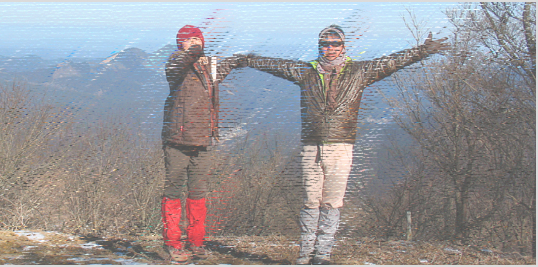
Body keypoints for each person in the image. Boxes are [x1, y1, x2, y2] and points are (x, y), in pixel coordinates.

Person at [243, 25, 449, 264]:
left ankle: (322, 255)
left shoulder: (359, 72)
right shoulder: (306, 71)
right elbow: (275, 65)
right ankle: (305, 254)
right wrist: (248, 59)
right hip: (311, 146)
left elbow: (392, 62)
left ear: (343, 46)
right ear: (319, 46)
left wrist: (422, 51)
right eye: (325, 44)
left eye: (335, 43)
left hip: (341, 146)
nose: (330, 48)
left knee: (332, 202)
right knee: (310, 201)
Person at [160, 25, 246, 263]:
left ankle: (196, 241)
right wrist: (192, 52)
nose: (194, 42)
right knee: (173, 192)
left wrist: (242, 59)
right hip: (177, 140)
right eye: (188, 40)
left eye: (197, 38)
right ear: (180, 44)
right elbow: (179, 66)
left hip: (203, 140)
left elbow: (224, 69)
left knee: (198, 193)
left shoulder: (210, 66)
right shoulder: (175, 63)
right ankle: (173, 243)